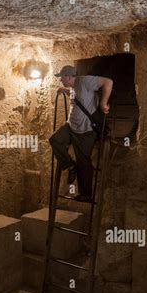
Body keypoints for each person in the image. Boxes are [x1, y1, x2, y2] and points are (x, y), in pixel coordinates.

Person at [49, 65, 113, 202]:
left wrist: (103, 103)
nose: (60, 80)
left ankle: (86, 194)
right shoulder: (73, 87)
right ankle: (70, 166)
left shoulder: (85, 81)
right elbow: (77, 96)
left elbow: (108, 82)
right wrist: (64, 90)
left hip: (85, 130)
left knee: (83, 162)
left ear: (68, 77)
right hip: (71, 126)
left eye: (61, 78)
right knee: (55, 140)